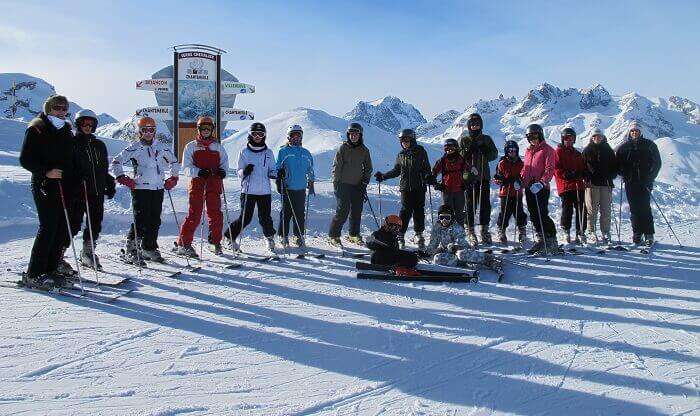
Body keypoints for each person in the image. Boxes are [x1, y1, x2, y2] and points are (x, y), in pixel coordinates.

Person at [19, 95, 80, 289]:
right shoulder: (37, 127)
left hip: (64, 184)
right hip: (44, 183)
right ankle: (34, 273)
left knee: (61, 226)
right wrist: (46, 171)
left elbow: (71, 159)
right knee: (48, 226)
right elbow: (25, 159)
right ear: (48, 108)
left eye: (64, 108)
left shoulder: (66, 130)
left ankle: (51, 268)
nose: (61, 111)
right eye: (57, 108)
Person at [112, 116, 179, 263]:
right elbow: (117, 161)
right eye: (145, 130)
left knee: (154, 219)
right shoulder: (135, 147)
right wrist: (122, 177)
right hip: (140, 188)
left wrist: (173, 178)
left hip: (158, 187)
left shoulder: (160, 147)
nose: (148, 133)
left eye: (151, 130)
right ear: (140, 131)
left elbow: (174, 161)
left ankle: (149, 247)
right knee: (141, 219)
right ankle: (132, 249)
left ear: (154, 131)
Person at [175, 116, 229, 257]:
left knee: (215, 214)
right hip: (198, 184)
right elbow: (185, 168)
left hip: (213, 183)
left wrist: (222, 171)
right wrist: (198, 172)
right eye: (203, 128)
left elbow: (224, 164)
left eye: (208, 129)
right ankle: (183, 244)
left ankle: (214, 242)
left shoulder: (218, 147)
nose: (206, 131)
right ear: (199, 129)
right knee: (195, 214)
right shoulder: (191, 146)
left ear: (212, 130)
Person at [72, 109, 116, 270]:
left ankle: (88, 252)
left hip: (96, 191)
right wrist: (76, 177)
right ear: (78, 123)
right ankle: (58, 255)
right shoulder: (72, 142)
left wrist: (109, 181)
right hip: (77, 192)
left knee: (95, 223)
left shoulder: (99, 145)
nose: (88, 126)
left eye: (91, 123)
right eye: (84, 123)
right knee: (73, 224)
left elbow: (102, 168)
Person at [224, 122, 277, 252]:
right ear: (250, 135)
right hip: (248, 190)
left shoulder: (269, 152)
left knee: (265, 218)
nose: (258, 136)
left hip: (264, 191)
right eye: (255, 134)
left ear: (264, 136)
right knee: (245, 218)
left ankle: (269, 238)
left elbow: (272, 170)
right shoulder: (244, 152)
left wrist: (276, 174)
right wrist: (245, 172)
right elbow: (239, 171)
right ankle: (229, 238)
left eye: (260, 134)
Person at [374, 128, 431, 249]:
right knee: (405, 211)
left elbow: (427, 168)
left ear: (412, 139)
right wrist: (383, 176)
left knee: (419, 211)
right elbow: (396, 170)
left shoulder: (420, 151)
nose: (404, 142)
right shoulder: (401, 154)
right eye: (402, 140)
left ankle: (419, 234)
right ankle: (401, 234)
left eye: (406, 140)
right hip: (405, 187)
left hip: (419, 186)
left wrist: (427, 177)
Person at [615, 121, 661, 246]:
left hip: (645, 182)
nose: (634, 132)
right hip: (630, 182)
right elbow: (617, 164)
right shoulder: (624, 147)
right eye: (632, 131)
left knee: (645, 207)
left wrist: (650, 177)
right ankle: (637, 234)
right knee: (634, 209)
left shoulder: (650, 145)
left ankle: (649, 234)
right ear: (629, 132)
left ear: (641, 132)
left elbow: (657, 163)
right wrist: (622, 173)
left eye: (637, 131)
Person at [423, 205, 503, 276]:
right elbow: (433, 243)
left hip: (461, 251)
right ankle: (460, 263)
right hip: (450, 254)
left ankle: (488, 259)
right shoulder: (437, 228)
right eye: (441, 217)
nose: (444, 220)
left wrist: (453, 246)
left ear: (451, 218)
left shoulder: (456, 228)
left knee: (461, 254)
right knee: (437, 258)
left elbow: (462, 243)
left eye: (447, 217)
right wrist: (427, 252)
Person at [328, 122, 372, 246]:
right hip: (343, 185)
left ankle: (353, 234)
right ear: (348, 135)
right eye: (351, 134)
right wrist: (336, 182)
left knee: (356, 212)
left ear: (360, 135)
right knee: (342, 211)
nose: (353, 136)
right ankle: (334, 236)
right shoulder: (343, 148)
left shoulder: (364, 150)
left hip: (358, 186)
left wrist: (364, 182)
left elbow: (368, 168)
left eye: (356, 134)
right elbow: (337, 166)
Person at [459, 113, 498, 245]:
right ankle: (470, 230)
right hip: (469, 177)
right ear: (469, 126)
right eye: (472, 124)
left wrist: (485, 151)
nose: (475, 126)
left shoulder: (486, 139)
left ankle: (484, 230)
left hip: (483, 176)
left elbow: (494, 154)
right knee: (470, 204)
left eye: (477, 124)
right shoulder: (464, 140)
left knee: (484, 204)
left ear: (481, 125)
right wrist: (468, 151)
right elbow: (459, 157)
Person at [520, 123, 559, 254]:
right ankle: (540, 238)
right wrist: (520, 180)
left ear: (540, 135)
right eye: (530, 137)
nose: (532, 139)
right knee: (534, 214)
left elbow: (549, 169)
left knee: (542, 213)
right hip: (529, 188)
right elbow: (525, 169)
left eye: (535, 136)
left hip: (541, 188)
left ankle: (551, 239)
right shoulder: (528, 151)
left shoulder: (547, 150)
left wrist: (542, 183)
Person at [276, 124, 315, 248]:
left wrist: (311, 183)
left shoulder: (306, 153)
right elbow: (278, 168)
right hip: (288, 187)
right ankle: (283, 236)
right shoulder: (283, 152)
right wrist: (279, 179)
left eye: (298, 135)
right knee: (286, 213)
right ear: (289, 137)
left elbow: (311, 170)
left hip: (301, 188)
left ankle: (298, 235)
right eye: (293, 136)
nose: (296, 138)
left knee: (299, 213)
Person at [582, 127, 617, 244]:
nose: (597, 138)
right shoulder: (587, 150)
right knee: (592, 210)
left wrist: (611, 175)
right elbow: (582, 166)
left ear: (603, 137)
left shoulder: (608, 149)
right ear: (591, 138)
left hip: (606, 184)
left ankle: (605, 232)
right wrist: (586, 177)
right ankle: (591, 231)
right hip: (592, 184)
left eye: (599, 136)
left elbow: (614, 165)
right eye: (595, 136)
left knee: (606, 210)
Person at [554, 127, 587, 244]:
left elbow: (582, 168)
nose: (569, 140)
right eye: (566, 138)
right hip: (566, 186)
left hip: (578, 185)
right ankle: (566, 231)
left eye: (571, 138)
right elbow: (556, 168)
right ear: (563, 139)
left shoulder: (578, 154)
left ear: (574, 140)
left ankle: (581, 231)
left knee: (581, 209)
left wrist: (583, 173)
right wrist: (566, 174)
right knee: (567, 210)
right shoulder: (558, 152)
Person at [493, 140, 527, 245]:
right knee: (505, 212)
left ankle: (522, 230)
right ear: (506, 151)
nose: (512, 152)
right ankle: (501, 230)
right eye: (510, 150)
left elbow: (524, 177)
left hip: (517, 192)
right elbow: (497, 177)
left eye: (514, 150)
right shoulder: (502, 163)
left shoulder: (520, 163)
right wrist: (501, 180)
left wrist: (520, 182)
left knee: (519, 212)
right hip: (506, 192)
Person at [432, 138, 469, 226]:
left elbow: (467, 172)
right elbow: (433, 174)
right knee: (447, 213)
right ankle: (448, 234)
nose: (449, 151)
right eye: (447, 149)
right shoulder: (442, 161)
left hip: (459, 190)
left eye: (451, 149)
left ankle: (460, 234)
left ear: (456, 148)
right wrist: (435, 184)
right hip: (446, 190)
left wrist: (466, 182)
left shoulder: (462, 160)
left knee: (459, 213)